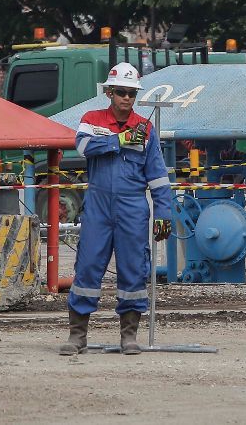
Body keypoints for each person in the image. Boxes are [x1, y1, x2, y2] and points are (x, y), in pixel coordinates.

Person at [59, 62, 174, 356]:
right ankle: (77, 336)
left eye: (132, 93)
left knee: (134, 269)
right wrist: (119, 140)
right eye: (121, 92)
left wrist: (164, 213)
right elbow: (83, 146)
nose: (126, 98)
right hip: (98, 207)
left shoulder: (145, 129)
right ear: (109, 92)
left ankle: (129, 335)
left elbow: (158, 176)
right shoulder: (92, 119)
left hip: (133, 208)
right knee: (87, 268)